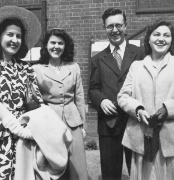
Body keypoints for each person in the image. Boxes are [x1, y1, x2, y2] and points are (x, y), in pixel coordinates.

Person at [88, 7, 144, 180]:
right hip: (109, 123)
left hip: (135, 122)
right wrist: (101, 100)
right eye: (110, 26)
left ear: (125, 26)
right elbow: (93, 89)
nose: (115, 30)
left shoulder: (140, 54)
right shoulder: (98, 59)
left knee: (139, 172)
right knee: (111, 173)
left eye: (118, 25)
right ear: (104, 28)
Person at [117, 19, 174, 180]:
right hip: (141, 137)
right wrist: (137, 109)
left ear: (171, 40)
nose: (161, 38)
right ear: (148, 39)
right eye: (156, 34)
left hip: (169, 140)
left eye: (166, 35)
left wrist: (168, 109)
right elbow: (123, 96)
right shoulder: (137, 66)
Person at [33, 28, 88, 180]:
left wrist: (83, 125)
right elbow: (35, 101)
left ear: (65, 47)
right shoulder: (36, 69)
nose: (56, 46)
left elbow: (80, 97)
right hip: (50, 123)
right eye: (53, 43)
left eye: (60, 43)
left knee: (76, 166)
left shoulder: (73, 67)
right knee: (54, 164)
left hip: (73, 123)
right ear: (46, 46)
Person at [0, 5, 43, 180]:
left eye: (18, 36)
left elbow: (37, 103)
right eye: (10, 34)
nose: (14, 40)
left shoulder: (26, 68)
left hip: (22, 139)